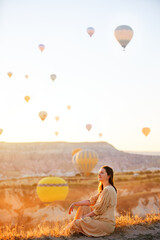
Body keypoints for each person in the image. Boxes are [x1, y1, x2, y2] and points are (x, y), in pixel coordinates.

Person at [65, 166, 117, 237]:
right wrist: (74, 204)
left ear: (108, 176)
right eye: (99, 173)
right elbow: (90, 201)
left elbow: (98, 211)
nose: (99, 174)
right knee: (84, 207)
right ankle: (79, 226)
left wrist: (84, 217)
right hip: (101, 220)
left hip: (105, 224)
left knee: (75, 223)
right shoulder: (105, 189)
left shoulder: (107, 190)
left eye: (102, 173)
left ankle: (62, 234)